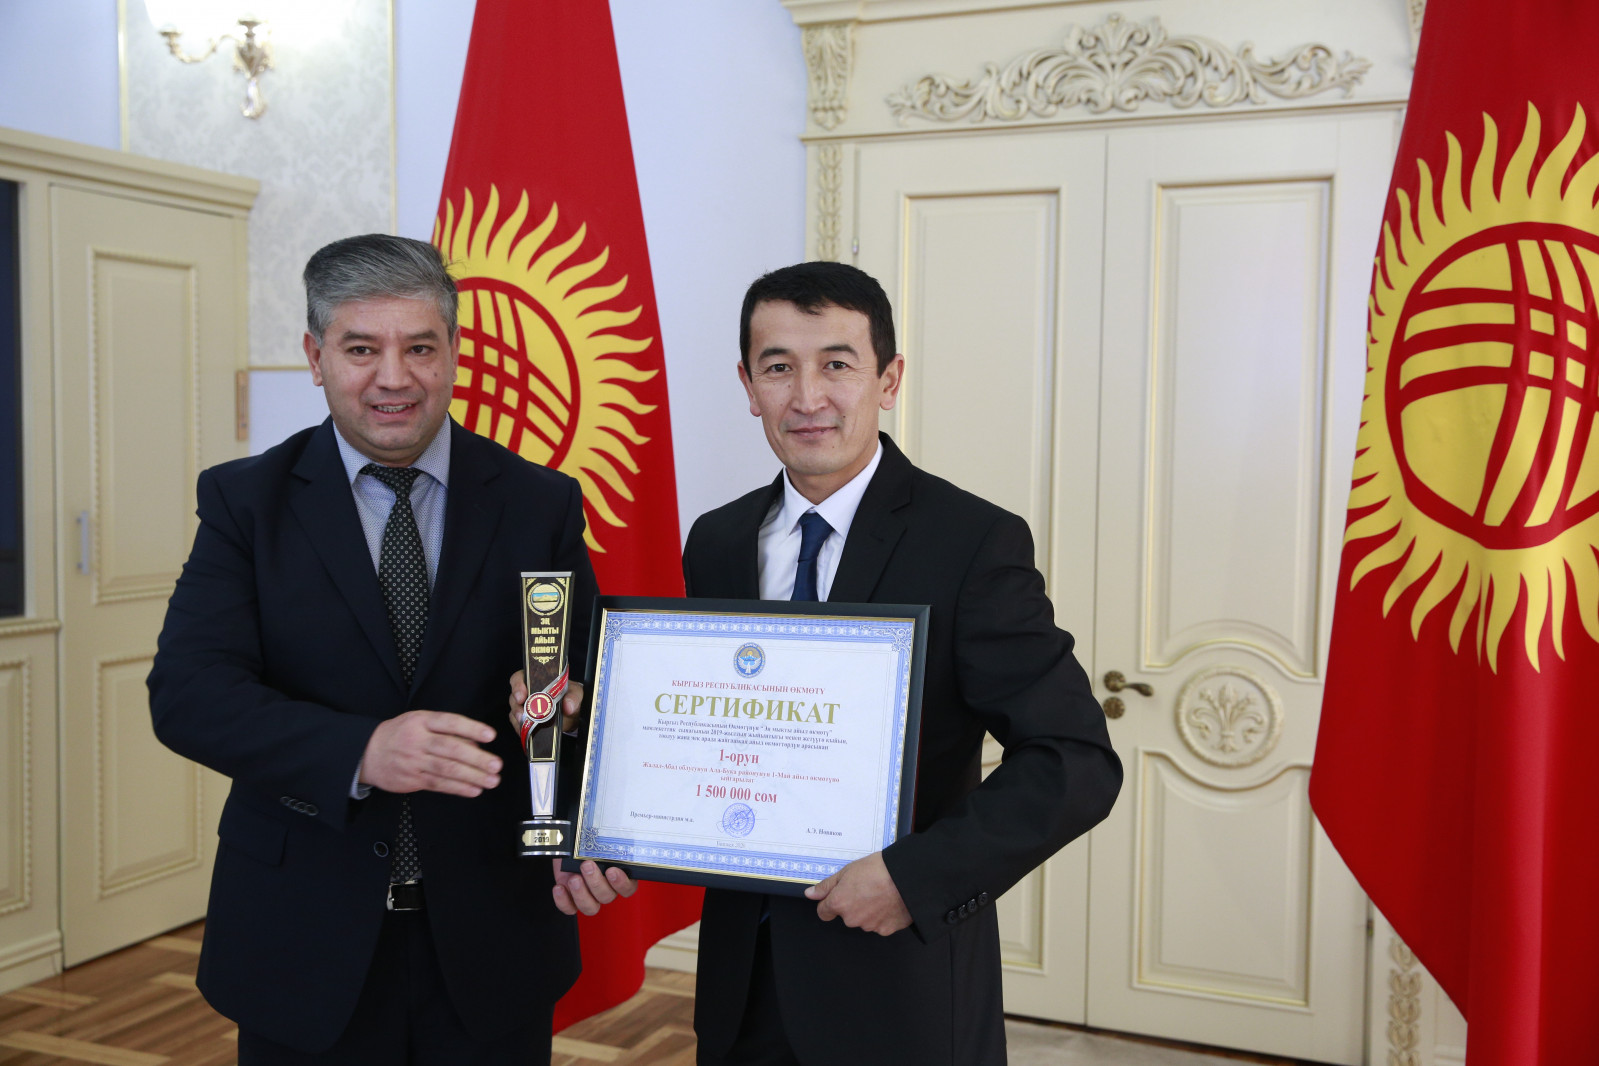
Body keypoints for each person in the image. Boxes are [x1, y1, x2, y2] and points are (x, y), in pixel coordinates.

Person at [147, 234, 633, 1065]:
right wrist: (362, 750)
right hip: (301, 939)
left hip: (493, 938)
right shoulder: (243, 502)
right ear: (316, 357)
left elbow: (584, 687)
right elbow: (189, 695)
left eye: (420, 348)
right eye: (361, 349)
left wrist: (569, 718)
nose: (394, 378)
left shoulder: (538, 502)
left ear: (455, 353)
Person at [685, 262, 1122, 1064]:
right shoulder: (716, 540)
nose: (807, 397)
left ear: (888, 380)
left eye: (837, 364)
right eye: (778, 367)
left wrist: (913, 877)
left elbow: (1074, 760)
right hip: (741, 985)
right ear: (748, 386)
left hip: (897, 988)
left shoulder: (971, 542)